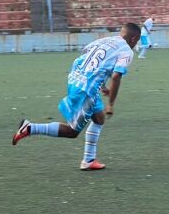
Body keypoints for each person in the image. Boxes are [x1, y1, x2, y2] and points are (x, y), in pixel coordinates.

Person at [12, 23, 142, 171]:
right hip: (86, 90)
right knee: (72, 131)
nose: (135, 45)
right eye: (137, 42)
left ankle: (89, 160)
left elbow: (87, 53)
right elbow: (117, 75)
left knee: (99, 118)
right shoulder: (126, 51)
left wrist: (102, 86)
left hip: (76, 78)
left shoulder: (106, 40)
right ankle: (30, 128)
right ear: (133, 39)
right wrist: (111, 103)